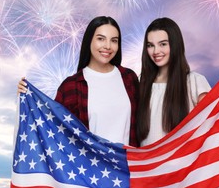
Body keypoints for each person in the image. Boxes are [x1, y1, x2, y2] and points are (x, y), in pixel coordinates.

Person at [17, 16, 139, 147]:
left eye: (114, 40)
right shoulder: (70, 86)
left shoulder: (129, 78)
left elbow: (143, 122)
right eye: (100, 39)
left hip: (128, 164)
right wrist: (26, 96)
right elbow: (54, 128)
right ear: (89, 41)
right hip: (90, 166)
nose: (108, 46)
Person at [136, 17, 219, 146]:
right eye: (150, 45)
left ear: (175, 44)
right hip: (147, 163)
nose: (156, 51)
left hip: (180, 163)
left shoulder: (195, 82)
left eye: (163, 44)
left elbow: (218, 116)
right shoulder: (140, 82)